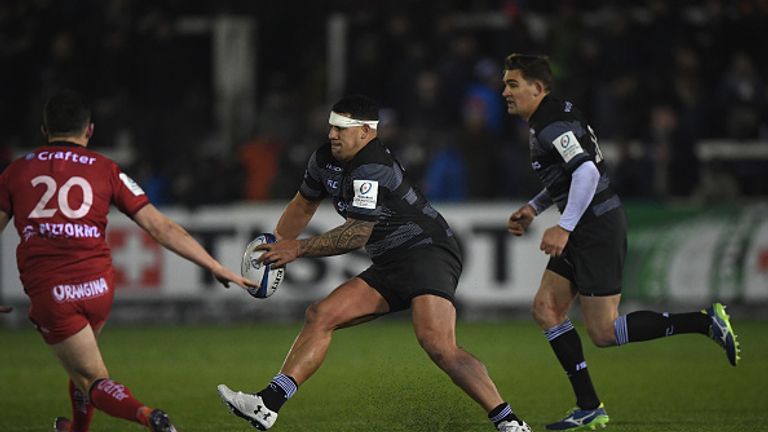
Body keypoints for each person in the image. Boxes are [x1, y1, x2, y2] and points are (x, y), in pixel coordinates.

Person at [216, 94, 532, 432]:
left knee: (438, 343)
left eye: (341, 128)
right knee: (321, 315)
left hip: (427, 251)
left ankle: (510, 422)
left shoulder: (373, 165)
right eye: (331, 127)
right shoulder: (324, 159)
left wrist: (298, 249)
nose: (332, 134)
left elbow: (356, 235)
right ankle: (268, 404)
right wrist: (277, 245)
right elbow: (302, 205)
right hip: (391, 261)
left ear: (367, 132)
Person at [501, 53, 740, 431]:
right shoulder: (554, 115)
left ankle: (704, 322)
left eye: (513, 84)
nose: (505, 92)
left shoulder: (550, 123)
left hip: (596, 226)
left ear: (538, 87)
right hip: (588, 223)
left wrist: (564, 226)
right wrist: (534, 208)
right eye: (505, 84)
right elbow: (569, 175)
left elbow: (585, 174)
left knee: (605, 332)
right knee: (546, 309)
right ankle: (588, 406)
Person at [0, 89, 255, 432]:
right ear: (89, 130)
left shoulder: (15, 173)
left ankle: (149, 417)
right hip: (99, 285)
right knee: (83, 365)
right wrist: (214, 265)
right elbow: (159, 226)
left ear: (44, 131)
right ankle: (78, 429)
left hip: (53, 291)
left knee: (92, 377)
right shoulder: (106, 169)